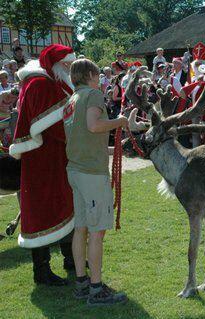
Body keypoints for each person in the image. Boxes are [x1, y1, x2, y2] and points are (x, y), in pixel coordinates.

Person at [9, 44, 77, 285]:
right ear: (56, 63)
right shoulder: (41, 84)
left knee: (65, 203)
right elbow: (52, 126)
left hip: (54, 157)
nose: (70, 68)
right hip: (43, 159)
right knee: (43, 209)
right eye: (67, 64)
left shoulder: (48, 80)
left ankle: (71, 258)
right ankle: (42, 270)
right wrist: (79, 136)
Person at [64, 58, 128, 306]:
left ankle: (82, 283)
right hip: (91, 173)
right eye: (97, 74)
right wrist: (119, 122)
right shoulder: (92, 95)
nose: (100, 78)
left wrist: (111, 148)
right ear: (90, 74)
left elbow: (82, 135)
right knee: (97, 231)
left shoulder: (71, 100)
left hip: (76, 170)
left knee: (80, 228)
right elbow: (94, 126)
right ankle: (96, 289)